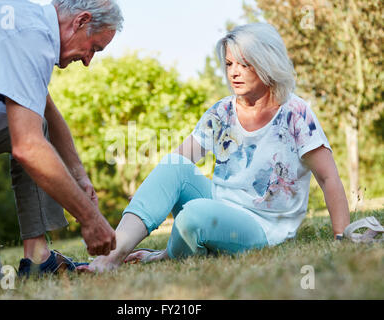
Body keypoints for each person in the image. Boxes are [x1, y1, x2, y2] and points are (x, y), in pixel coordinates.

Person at [79, 23, 351, 272]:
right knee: (173, 168)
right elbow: (181, 160)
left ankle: (165, 255)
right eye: (230, 63)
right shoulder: (222, 111)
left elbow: (328, 178)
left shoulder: (296, 113)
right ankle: (110, 257)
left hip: (263, 227)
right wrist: (151, 191)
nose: (233, 72)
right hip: (220, 204)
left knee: (194, 215)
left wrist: (342, 236)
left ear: (267, 63)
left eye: (244, 64)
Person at [0, 0, 123, 291]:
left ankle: (38, 258)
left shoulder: (27, 23)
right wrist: (90, 218)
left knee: (33, 124)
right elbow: (28, 148)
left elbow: (47, 114)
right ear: (81, 21)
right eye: (94, 48)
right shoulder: (32, 37)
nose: (88, 61)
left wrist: (79, 175)